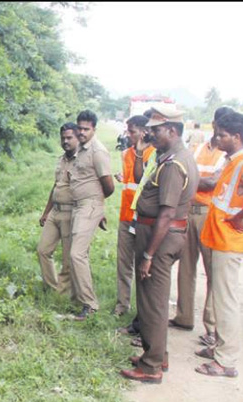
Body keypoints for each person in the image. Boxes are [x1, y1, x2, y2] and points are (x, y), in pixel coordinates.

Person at [121, 105, 199, 383]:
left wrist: (148, 254)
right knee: (152, 299)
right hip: (160, 233)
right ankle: (156, 353)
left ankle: (151, 366)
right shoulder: (173, 157)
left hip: (160, 236)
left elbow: (166, 214)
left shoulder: (174, 164)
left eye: (156, 130)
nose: (151, 134)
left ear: (173, 130)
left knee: (152, 301)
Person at [169, 107, 232, 345]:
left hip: (209, 215)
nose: (217, 131)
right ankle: (183, 316)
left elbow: (210, 182)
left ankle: (212, 327)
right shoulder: (197, 148)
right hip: (189, 211)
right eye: (217, 124)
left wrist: (191, 181)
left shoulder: (229, 155)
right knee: (186, 266)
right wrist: (195, 181)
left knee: (212, 271)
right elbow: (192, 177)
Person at [194, 110, 243, 378]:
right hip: (219, 237)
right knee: (221, 298)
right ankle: (220, 349)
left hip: (229, 241)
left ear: (236, 136)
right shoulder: (232, 160)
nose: (217, 138)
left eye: (222, 135)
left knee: (227, 301)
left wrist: (239, 221)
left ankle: (226, 360)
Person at [69, 110, 114, 320]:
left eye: (86, 129)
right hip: (78, 206)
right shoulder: (81, 148)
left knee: (76, 254)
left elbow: (109, 186)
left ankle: (90, 304)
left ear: (94, 129)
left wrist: (97, 205)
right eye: (79, 128)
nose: (82, 132)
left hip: (89, 206)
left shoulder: (98, 151)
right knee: (78, 253)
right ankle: (80, 298)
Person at [113, 115, 155, 316]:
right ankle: (122, 305)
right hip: (125, 214)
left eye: (132, 131)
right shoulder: (126, 153)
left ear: (144, 132)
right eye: (128, 131)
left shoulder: (153, 154)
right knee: (123, 263)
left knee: (142, 265)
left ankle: (142, 312)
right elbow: (131, 182)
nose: (128, 135)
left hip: (143, 218)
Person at [37, 123, 80, 297]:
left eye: (69, 137)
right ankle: (53, 287)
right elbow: (55, 186)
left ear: (78, 138)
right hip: (55, 211)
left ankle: (63, 296)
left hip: (71, 213)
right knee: (43, 250)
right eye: (63, 138)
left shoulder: (83, 160)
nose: (65, 141)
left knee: (68, 259)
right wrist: (46, 212)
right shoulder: (61, 159)